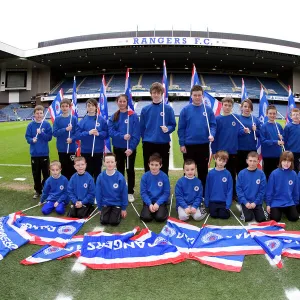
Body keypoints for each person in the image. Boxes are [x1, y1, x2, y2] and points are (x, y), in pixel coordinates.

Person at [178, 85, 216, 189]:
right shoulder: (185, 110)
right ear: (191, 96)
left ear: (202, 96)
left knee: (203, 170)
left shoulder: (208, 110)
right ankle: (188, 191)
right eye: (195, 95)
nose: (197, 97)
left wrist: (212, 134)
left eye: (199, 95)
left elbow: (213, 125)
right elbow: (181, 128)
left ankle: (202, 193)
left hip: (203, 145)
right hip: (189, 146)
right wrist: (182, 144)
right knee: (189, 170)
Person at [108, 94, 140, 203]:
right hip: (117, 148)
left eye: (124, 101)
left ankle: (130, 192)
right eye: (120, 101)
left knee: (130, 170)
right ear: (117, 102)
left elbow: (136, 134)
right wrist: (122, 136)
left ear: (127, 102)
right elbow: (110, 131)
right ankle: (121, 190)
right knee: (120, 170)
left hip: (129, 149)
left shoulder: (133, 116)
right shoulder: (114, 116)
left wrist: (131, 148)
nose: (122, 103)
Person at [140, 82, 176, 176]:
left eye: (158, 93)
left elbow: (173, 125)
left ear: (162, 94)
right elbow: (142, 127)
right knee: (148, 168)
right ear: (151, 93)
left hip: (163, 143)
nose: (156, 95)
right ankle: (148, 187)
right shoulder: (145, 109)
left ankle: (163, 188)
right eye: (154, 92)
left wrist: (168, 129)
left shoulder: (168, 109)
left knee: (163, 168)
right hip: (149, 143)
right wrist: (145, 139)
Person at [212, 97, 241, 198]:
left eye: (229, 105)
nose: (227, 107)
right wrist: (214, 151)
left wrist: (244, 131)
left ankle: (233, 194)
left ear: (232, 107)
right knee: (220, 173)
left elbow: (239, 132)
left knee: (232, 174)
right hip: (221, 152)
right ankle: (220, 192)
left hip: (232, 151)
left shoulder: (236, 118)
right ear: (222, 105)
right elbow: (214, 136)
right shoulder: (217, 119)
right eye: (225, 105)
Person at [25, 105, 52, 199]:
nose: (39, 115)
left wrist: (42, 133)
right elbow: (27, 137)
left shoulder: (46, 124)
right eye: (37, 113)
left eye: (41, 113)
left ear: (43, 114)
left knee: (46, 174)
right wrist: (32, 140)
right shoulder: (30, 125)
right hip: (34, 154)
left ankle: (46, 190)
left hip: (44, 153)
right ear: (34, 114)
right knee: (36, 174)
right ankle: (37, 190)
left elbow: (49, 138)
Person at [78, 98, 108, 181]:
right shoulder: (82, 120)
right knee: (87, 173)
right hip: (85, 151)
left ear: (96, 107)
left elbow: (106, 134)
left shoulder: (101, 120)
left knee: (97, 172)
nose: (90, 107)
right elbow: (78, 135)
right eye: (88, 106)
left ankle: (97, 191)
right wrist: (88, 133)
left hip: (98, 151)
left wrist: (99, 134)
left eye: (92, 106)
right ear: (86, 107)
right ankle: (88, 190)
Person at [96, 153, 128, 226]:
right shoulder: (100, 177)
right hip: (105, 203)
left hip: (117, 203)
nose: (110, 164)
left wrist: (123, 209)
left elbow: (124, 193)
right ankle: (107, 211)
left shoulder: (120, 177)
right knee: (103, 221)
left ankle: (117, 210)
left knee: (114, 222)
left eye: (112, 162)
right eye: (107, 162)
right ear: (104, 163)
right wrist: (100, 208)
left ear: (115, 163)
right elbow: (98, 193)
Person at [266, 151, 299, 222]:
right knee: (275, 219)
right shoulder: (274, 173)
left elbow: (296, 191)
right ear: (280, 161)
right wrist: (268, 204)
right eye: (284, 161)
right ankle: (278, 211)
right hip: (276, 202)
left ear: (292, 162)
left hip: (289, 202)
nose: (286, 164)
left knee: (294, 218)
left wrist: (295, 204)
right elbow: (269, 190)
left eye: (289, 161)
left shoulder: (294, 174)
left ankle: (285, 211)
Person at [236, 152, 267, 223]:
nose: (252, 163)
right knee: (248, 218)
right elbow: (239, 190)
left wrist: (255, 203)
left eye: (254, 161)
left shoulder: (261, 174)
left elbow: (262, 191)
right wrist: (245, 202)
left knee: (261, 219)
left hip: (256, 202)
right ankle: (243, 208)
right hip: (245, 202)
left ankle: (260, 209)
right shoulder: (241, 173)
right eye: (250, 161)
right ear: (247, 161)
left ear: (258, 162)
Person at [53, 98, 78, 180]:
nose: (64, 108)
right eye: (63, 106)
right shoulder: (57, 119)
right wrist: (65, 129)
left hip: (71, 148)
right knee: (63, 168)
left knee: (72, 168)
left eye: (66, 106)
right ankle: (64, 187)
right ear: (60, 107)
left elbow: (77, 133)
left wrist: (72, 139)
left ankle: (72, 187)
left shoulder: (73, 118)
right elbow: (55, 133)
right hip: (62, 148)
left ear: (69, 107)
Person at [140, 153, 170, 222]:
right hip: (149, 201)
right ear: (149, 165)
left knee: (160, 218)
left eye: (156, 165)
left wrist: (158, 203)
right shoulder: (145, 177)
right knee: (146, 218)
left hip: (160, 201)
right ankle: (150, 209)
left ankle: (162, 208)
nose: (154, 167)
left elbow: (166, 193)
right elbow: (143, 193)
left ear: (160, 165)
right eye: (152, 165)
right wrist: (149, 204)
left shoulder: (164, 176)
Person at [205, 150, 233, 219]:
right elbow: (207, 188)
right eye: (219, 160)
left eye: (223, 161)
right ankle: (213, 207)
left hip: (223, 201)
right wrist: (207, 202)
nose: (221, 163)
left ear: (226, 162)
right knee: (213, 215)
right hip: (213, 201)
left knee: (224, 216)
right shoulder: (211, 173)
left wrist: (228, 203)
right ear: (215, 159)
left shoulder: (228, 174)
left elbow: (230, 189)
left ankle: (223, 209)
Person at [260, 105, 284, 180]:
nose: (272, 115)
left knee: (277, 176)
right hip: (268, 156)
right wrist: (276, 142)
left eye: (274, 113)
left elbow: (282, 140)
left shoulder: (279, 126)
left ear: (276, 114)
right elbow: (263, 141)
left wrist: (282, 137)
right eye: (270, 113)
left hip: (278, 155)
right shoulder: (264, 126)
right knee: (268, 175)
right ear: (267, 114)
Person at [237, 99, 261, 173]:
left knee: (252, 171)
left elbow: (260, 134)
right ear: (241, 108)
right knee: (240, 171)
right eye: (245, 106)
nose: (247, 108)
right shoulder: (237, 118)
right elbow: (234, 133)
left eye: (249, 107)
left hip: (252, 149)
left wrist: (255, 130)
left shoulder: (255, 120)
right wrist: (243, 131)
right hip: (240, 149)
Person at [283, 108, 300, 173]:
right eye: (294, 115)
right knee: (291, 168)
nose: (296, 116)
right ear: (291, 116)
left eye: (297, 115)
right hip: (291, 151)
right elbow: (285, 139)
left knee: (297, 168)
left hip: (299, 151)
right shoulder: (288, 127)